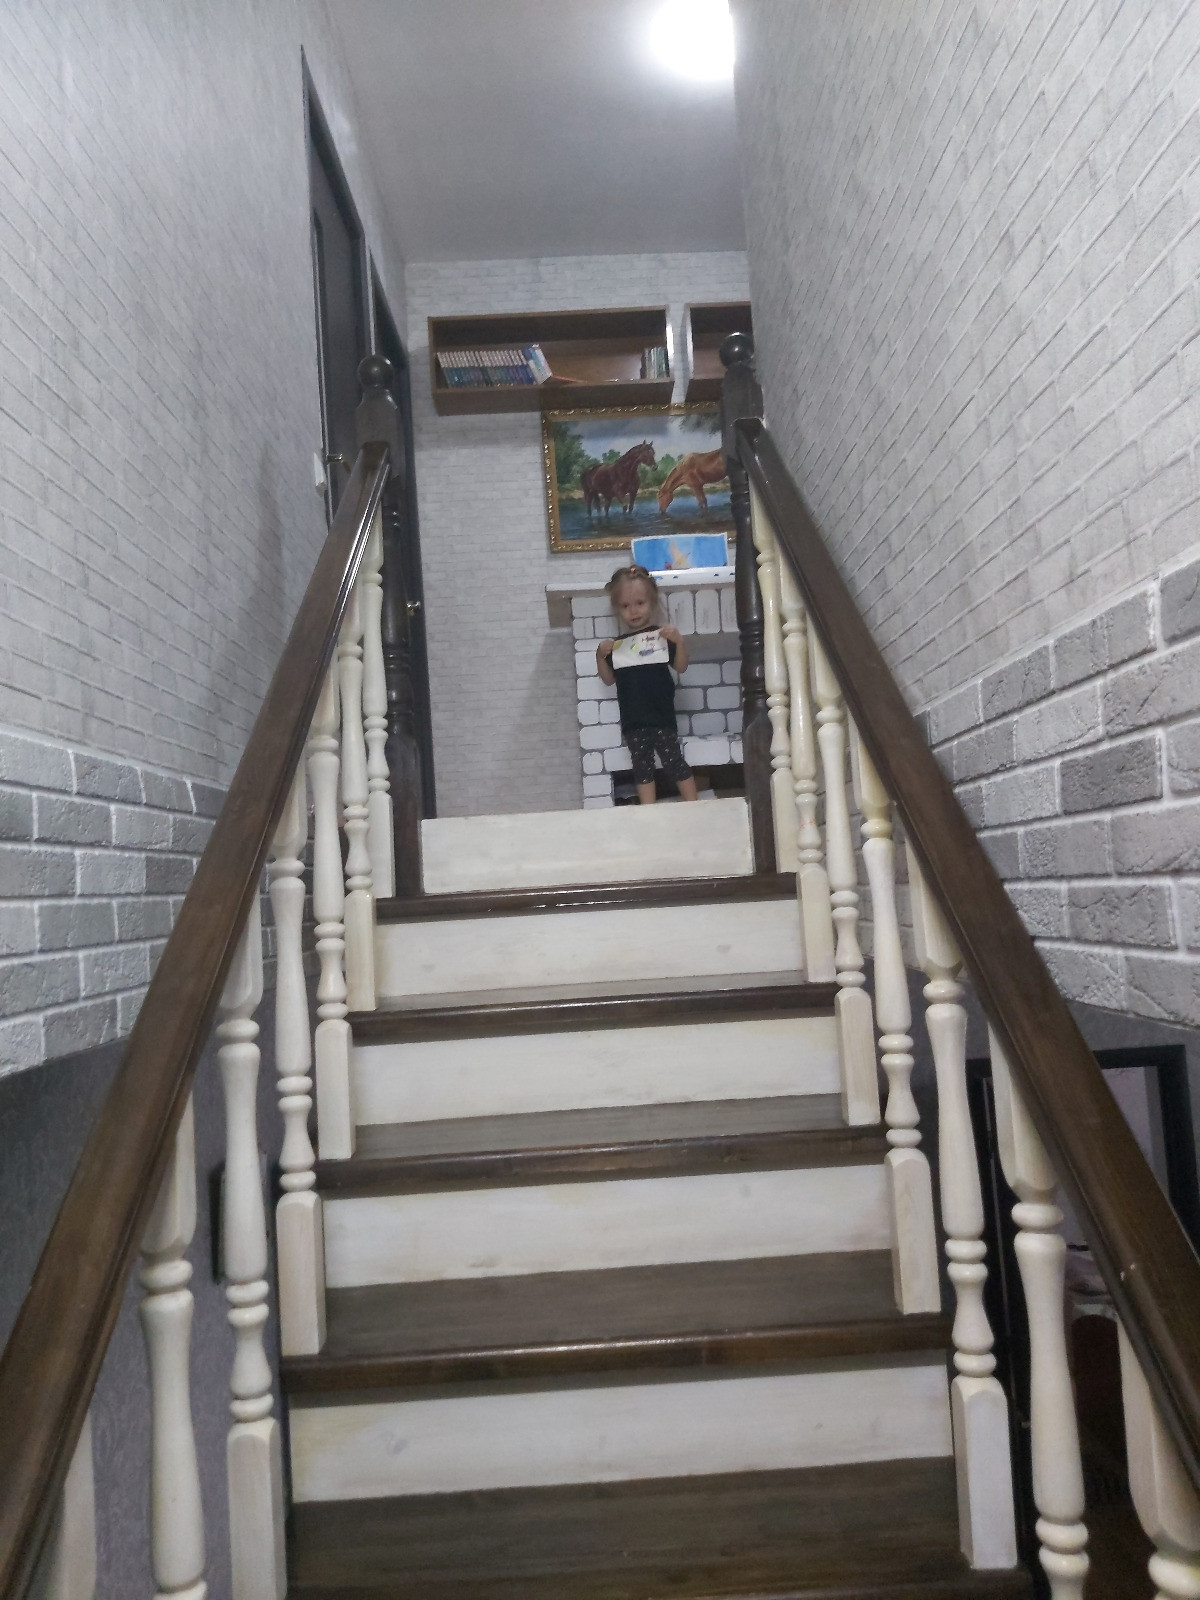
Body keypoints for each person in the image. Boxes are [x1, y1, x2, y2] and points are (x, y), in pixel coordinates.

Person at [596, 563, 698, 804]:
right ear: (617, 609)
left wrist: (679, 642)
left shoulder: (662, 637)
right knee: (642, 767)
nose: (633, 611)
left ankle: (695, 806)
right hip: (633, 720)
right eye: (625, 606)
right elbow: (608, 679)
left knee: (674, 761)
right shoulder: (617, 647)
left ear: (651, 603)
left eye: (640, 603)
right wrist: (600, 656)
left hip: (662, 716)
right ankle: (648, 812)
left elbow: (681, 666)